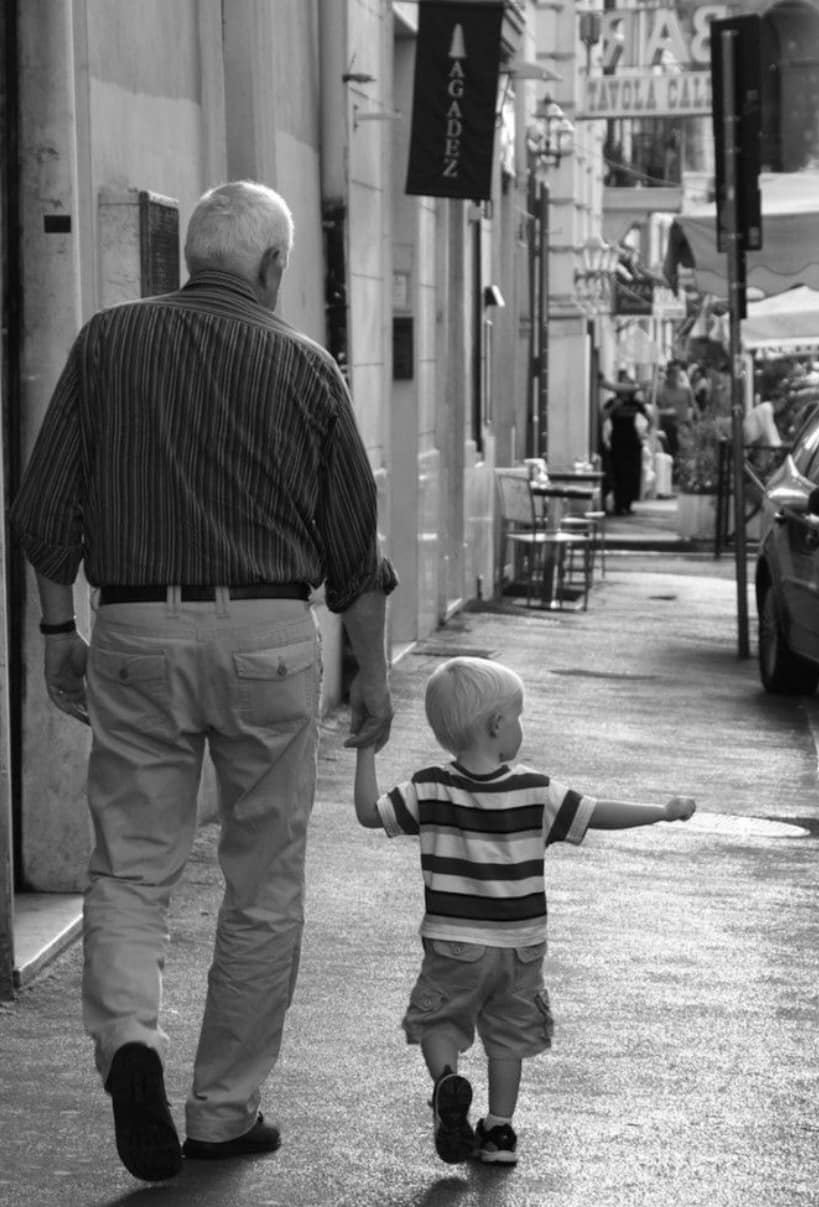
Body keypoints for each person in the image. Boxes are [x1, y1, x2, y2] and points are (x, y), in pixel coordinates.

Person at [10, 180, 397, 1183]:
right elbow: (355, 549)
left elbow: (45, 513)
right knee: (263, 885)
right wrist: (374, 679)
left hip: (136, 625)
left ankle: (129, 1043)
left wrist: (61, 633)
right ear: (272, 269)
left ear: (194, 258)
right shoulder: (308, 367)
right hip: (271, 635)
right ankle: (223, 1111)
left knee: (134, 865)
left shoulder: (107, 341)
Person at [351, 656, 695, 1167]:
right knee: (508, 1036)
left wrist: (365, 751)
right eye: (516, 716)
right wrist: (660, 814)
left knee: (440, 1022)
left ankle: (448, 1082)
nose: (519, 727)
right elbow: (597, 814)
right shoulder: (535, 790)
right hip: (521, 946)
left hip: (455, 945)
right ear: (496, 725)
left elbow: (366, 814)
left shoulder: (427, 785)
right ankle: (499, 1133)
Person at [602, 374, 649, 515]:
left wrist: (644, 434)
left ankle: (628, 504)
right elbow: (603, 418)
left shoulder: (635, 403)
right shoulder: (612, 402)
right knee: (618, 473)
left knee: (632, 474)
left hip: (633, 441)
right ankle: (618, 505)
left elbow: (650, 418)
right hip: (617, 442)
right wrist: (613, 408)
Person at [656, 360, 694, 476]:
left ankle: (684, 473)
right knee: (673, 452)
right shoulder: (662, 392)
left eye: (676, 375)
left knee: (686, 451)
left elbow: (692, 406)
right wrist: (667, 412)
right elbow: (658, 411)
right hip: (669, 427)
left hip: (685, 426)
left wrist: (690, 420)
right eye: (672, 375)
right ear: (668, 376)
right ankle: (675, 474)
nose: (674, 378)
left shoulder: (686, 389)